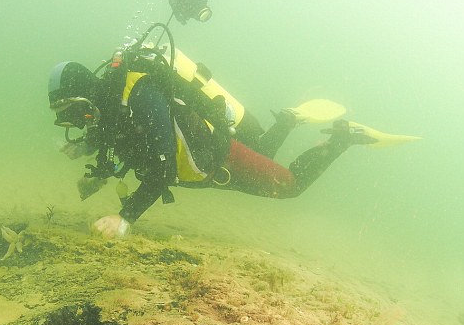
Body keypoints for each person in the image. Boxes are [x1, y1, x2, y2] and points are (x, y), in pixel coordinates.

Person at [47, 48, 419, 238]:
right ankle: (288, 120)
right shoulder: (111, 105)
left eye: (70, 111)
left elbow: (160, 168)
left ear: (84, 95)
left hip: (218, 154)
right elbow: (120, 138)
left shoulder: (140, 95)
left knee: (287, 186)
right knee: (265, 153)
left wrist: (125, 217)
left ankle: (342, 138)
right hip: (211, 157)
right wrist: (87, 151)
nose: (70, 123)